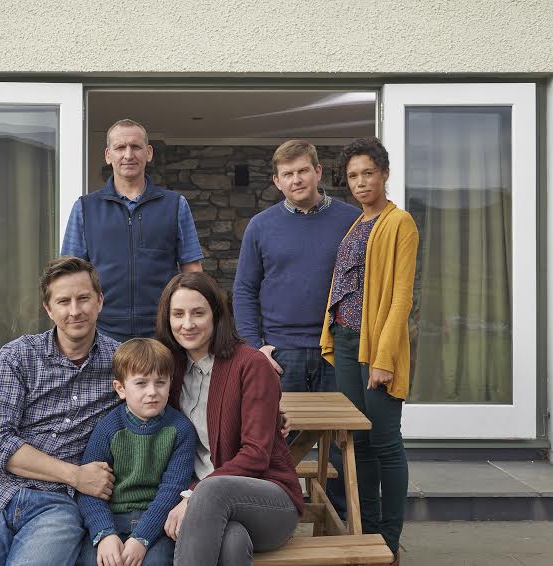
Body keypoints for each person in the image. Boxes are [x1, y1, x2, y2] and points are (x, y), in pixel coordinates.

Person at [0, 257, 122, 566]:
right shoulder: (18, 355)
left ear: (99, 300)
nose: (74, 310)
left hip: (58, 505)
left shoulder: (120, 363)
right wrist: (77, 475)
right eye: (63, 301)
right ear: (48, 309)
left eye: (83, 298)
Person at [232, 139, 359, 513]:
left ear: (318, 172)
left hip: (337, 350)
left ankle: (338, 522)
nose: (296, 179)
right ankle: (271, 516)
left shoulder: (351, 221)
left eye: (303, 170)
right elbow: (243, 290)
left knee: (341, 446)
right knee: (274, 444)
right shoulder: (261, 226)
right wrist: (256, 347)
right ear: (277, 181)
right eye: (288, 174)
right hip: (280, 354)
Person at [155, 272, 304, 566]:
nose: (187, 324)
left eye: (198, 313)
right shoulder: (168, 369)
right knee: (233, 543)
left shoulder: (250, 365)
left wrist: (192, 496)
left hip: (268, 499)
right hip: (207, 507)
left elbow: (256, 456)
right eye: (178, 314)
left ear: (216, 315)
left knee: (212, 491)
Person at [320, 137, 419, 565]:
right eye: (353, 176)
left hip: (374, 346)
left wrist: (384, 358)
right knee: (355, 442)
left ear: (384, 173)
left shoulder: (400, 223)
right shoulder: (357, 223)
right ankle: (369, 531)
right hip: (345, 340)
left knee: (385, 442)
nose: (360, 183)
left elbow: (400, 297)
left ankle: (390, 540)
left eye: (368, 173)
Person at [61, 118, 203, 342]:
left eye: (136, 147)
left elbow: (192, 270)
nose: (128, 155)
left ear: (149, 152)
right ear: (108, 155)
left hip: (162, 330)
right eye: (120, 147)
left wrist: (193, 319)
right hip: (101, 332)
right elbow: (68, 274)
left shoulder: (175, 205)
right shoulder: (85, 207)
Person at [77, 338, 196, 566]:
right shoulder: (108, 428)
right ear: (120, 389)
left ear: (171, 383)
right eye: (141, 383)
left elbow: (172, 491)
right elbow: (89, 488)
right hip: (111, 520)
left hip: (157, 523)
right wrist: (104, 533)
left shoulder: (181, 430)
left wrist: (142, 538)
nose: (152, 392)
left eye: (160, 382)